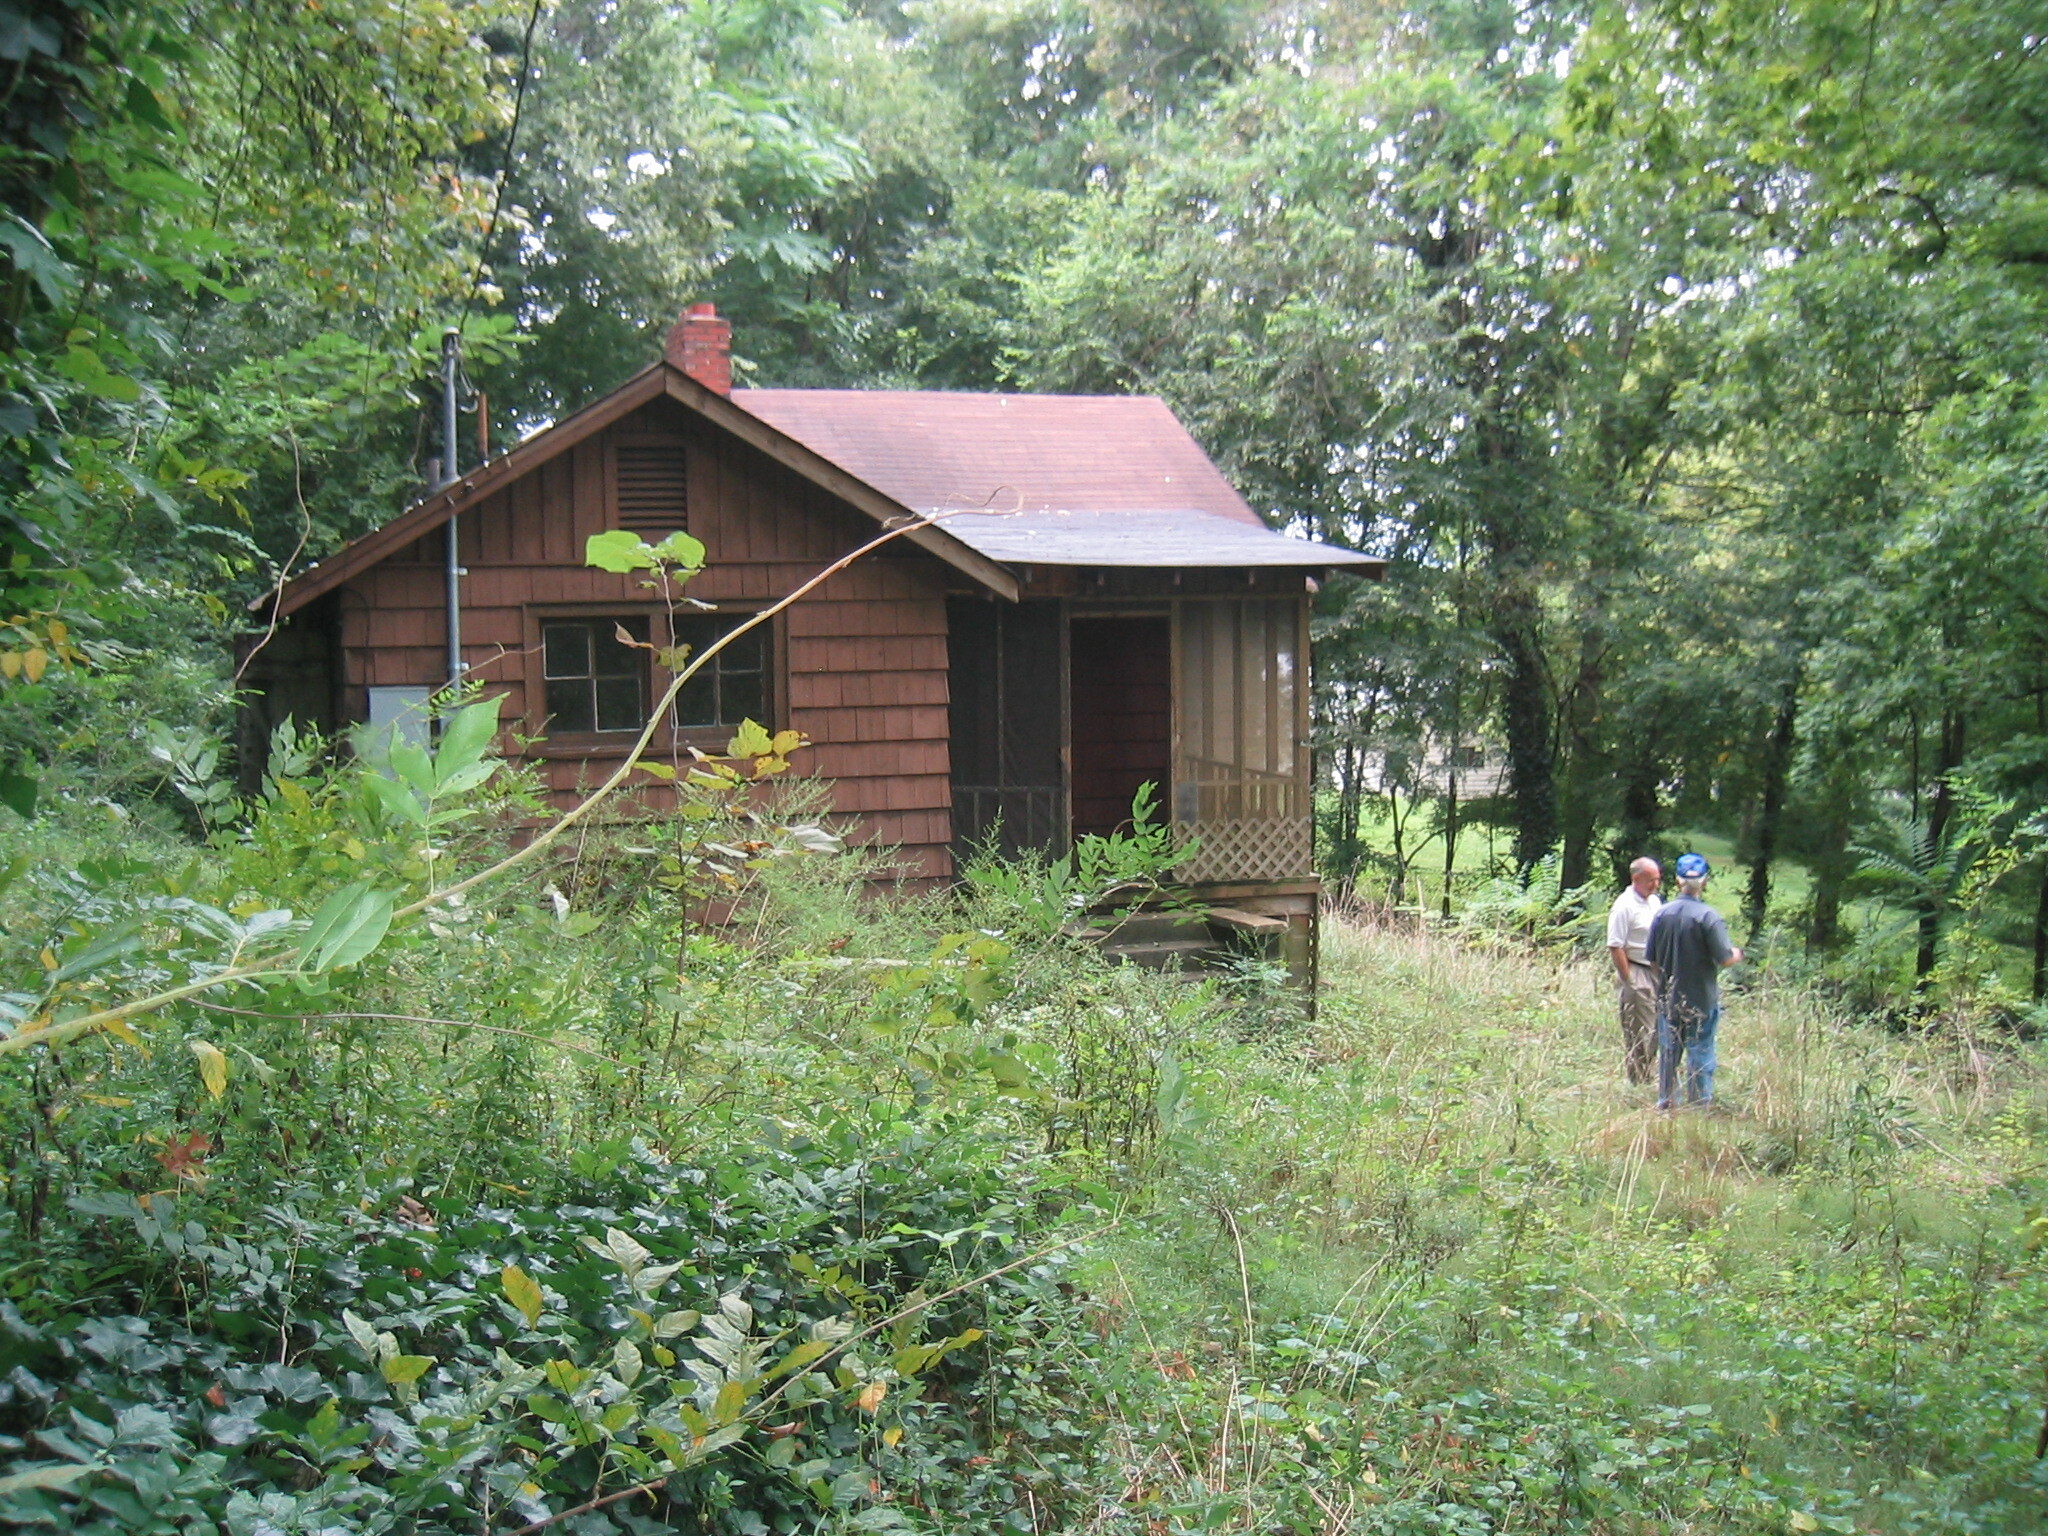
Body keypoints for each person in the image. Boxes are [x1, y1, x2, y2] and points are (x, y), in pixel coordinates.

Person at [1645, 852, 1743, 1110]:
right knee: (1699, 1050)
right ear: (1704, 881)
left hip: (1668, 997)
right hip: (1701, 998)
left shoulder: (1661, 914)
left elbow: (1652, 960)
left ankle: (1666, 1101)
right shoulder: (1709, 917)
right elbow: (1724, 958)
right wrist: (1737, 954)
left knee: (1669, 1052)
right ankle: (1698, 1105)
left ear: (1677, 881)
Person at [1604, 857, 1663, 1086]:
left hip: (1656, 970)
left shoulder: (1655, 903)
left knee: (1657, 1027)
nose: (1655, 884)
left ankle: (1650, 1076)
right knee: (1640, 1030)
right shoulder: (1624, 906)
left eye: (1657, 879)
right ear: (1636, 878)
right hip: (1637, 969)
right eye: (1651, 880)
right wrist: (1629, 978)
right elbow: (1615, 945)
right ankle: (1638, 1080)